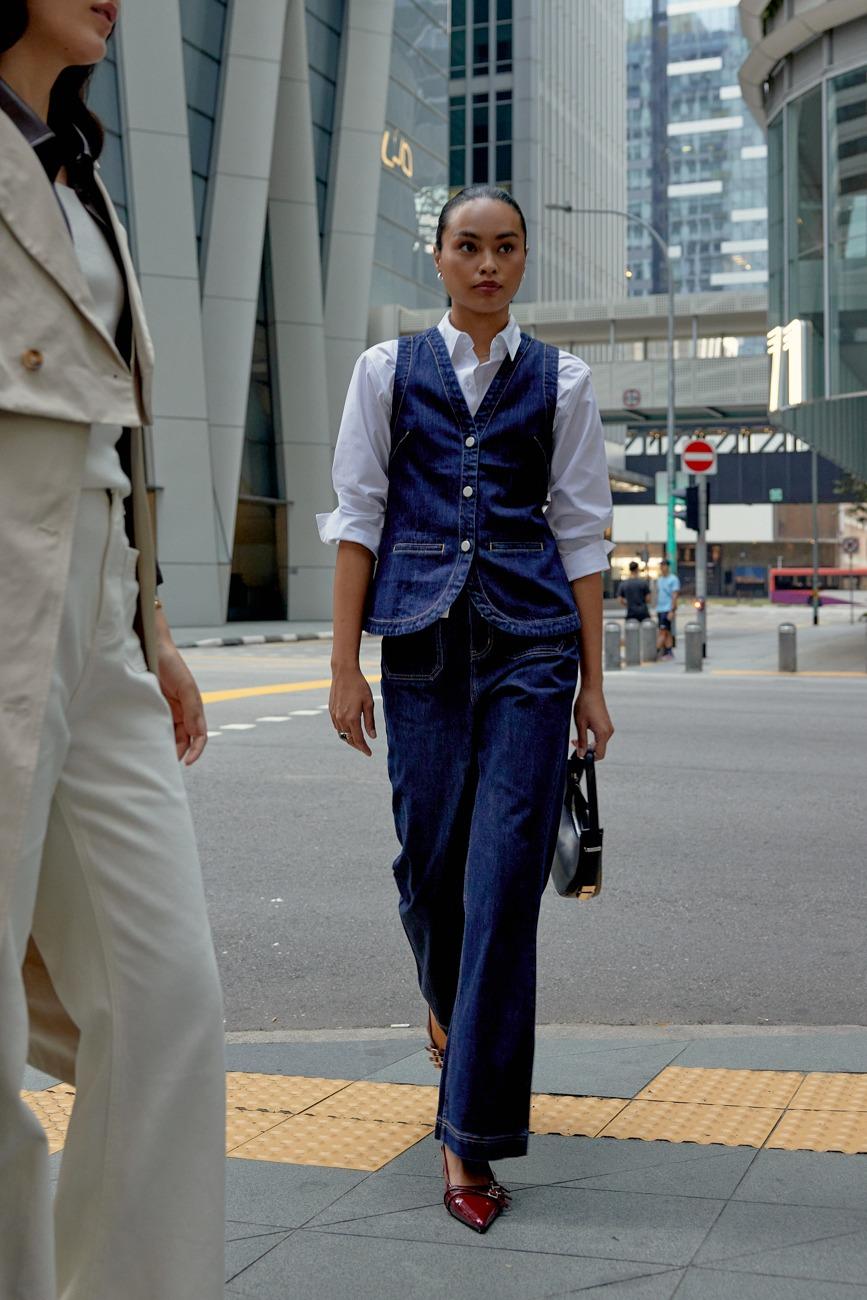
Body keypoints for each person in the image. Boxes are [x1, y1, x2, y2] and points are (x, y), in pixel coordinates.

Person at [319, 184, 614, 1234]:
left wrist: (594, 679)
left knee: (501, 891)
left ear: (524, 261)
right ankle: (449, 1009)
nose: (488, 264)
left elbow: (580, 532)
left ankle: (470, 1133)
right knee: (426, 869)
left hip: (531, 651)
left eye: (506, 248)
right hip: (422, 648)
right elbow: (359, 514)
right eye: (469, 247)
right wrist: (344, 663)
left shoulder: (563, 380)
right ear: (437, 258)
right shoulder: (386, 370)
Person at [0, 4, 226, 1297]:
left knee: (165, 998)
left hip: (93, 609)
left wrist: (151, 624)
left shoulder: (77, 167)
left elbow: (115, 438)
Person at [655, 557, 681, 658]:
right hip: (660, 608)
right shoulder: (660, 580)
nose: (662, 567)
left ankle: (655, 650)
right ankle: (668, 651)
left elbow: (675, 595)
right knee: (667, 631)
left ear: (667, 567)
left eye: (664, 565)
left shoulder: (673, 579)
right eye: (661, 566)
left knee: (663, 631)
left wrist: (672, 610)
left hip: (667, 609)